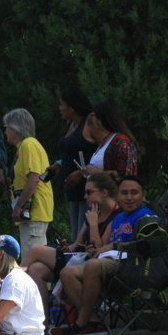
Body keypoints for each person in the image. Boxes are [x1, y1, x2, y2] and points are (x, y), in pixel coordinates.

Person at [50, 175, 153, 335]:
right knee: (67, 272)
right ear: (118, 196)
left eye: (134, 192)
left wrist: (112, 246)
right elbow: (100, 246)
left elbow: (146, 245)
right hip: (108, 261)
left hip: (131, 264)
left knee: (92, 265)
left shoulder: (147, 216)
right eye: (124, 193)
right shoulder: (118, 218)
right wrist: (94, 246)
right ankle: (94, 323)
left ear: (144, 196)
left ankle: (81, 323)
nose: (129, 197)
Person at [22, 171, 120, 318]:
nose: (85, 196)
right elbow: (76, 245)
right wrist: (67, 247)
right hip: (80, 258)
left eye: (89, 192)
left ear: (104, 192)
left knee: (35, 250)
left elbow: (100, 250)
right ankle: (43, 322)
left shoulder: (116, 215)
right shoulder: (95, 213)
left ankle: (9, 283)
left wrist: (93, 225)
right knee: (37, 269)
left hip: (96, 264)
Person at [0, 108, 54, 257]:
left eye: (6, 126)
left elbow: (34, 178)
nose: (5, 130)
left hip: (33, 211)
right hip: (31, 212)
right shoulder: (23, 147)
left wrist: (19, 205)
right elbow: (26, 179)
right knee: (34, 258)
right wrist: (5, 180)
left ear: (15, 128)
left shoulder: (28, 144)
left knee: (31, 259)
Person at [45, 86, 98, 239]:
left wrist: (81, 172)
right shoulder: (71, 124)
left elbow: (102, 150)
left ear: (73, 107)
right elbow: (72, 151)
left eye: (62, 104)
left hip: (87, 188)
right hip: (73, 190)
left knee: (83, 235)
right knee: (75, 234)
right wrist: (60, 164)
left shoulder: (90, 122)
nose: (59, 108)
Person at [82, 99, 138, 178]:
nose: (92, 119)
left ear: (100, 120)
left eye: (93, 116)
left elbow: (126, 175)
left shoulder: (122, 142)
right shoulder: (107, 139)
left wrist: (97, 172)